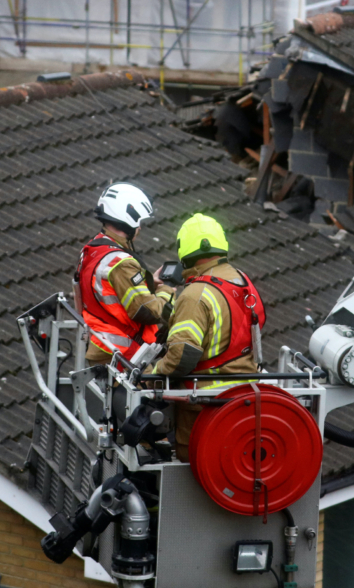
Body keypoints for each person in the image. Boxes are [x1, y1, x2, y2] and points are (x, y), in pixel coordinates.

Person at [151, 212, 266, 460]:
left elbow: (181, 357)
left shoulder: (195, 294)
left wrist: (152, 373)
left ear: (186, 253)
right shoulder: (243, 281)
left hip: (204, 409)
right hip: (245, 400)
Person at [76, 183, 175, 365]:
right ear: (129, 217)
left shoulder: (94, 249)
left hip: (102, 349)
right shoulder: (122, 263)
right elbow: (147, 311)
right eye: (140, 222)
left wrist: (148, 284)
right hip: (123, 359)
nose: (140, 228)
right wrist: (167, 291)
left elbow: (108, 291)